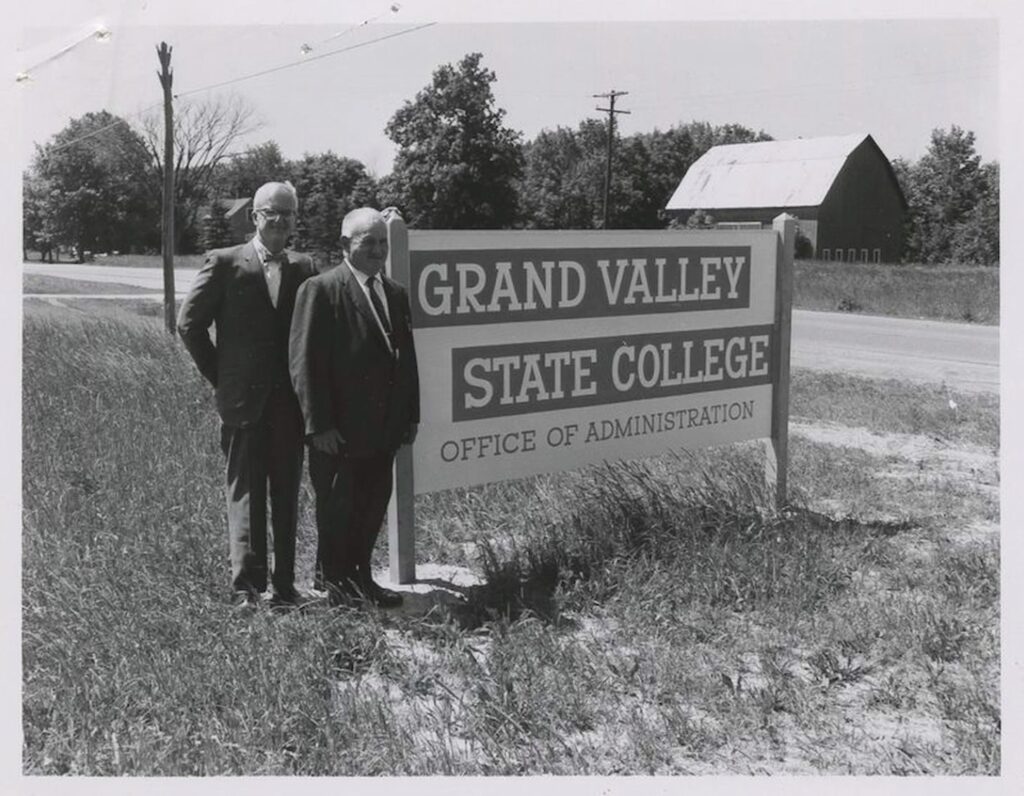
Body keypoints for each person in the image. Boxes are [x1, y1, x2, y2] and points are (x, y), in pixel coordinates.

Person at [177, 181, 316, 610]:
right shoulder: (224, 263)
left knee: (286, 495)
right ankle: (246, 590)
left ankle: (286, 586)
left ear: (295, 220)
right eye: (271, 213)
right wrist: (222, 376)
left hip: (289, 405)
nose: (280, 221)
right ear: (254, 216)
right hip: (243, 402)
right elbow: (189, 324)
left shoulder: (304, 267)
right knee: (246, 495)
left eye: (288, 214)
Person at [289, 207, 419, 608]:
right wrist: (319, 424)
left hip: (383, 429)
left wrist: (410, 415)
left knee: (371, 505)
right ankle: (336, 585)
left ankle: (362, 577)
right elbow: (304, 363)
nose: (379, 250)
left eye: (383, 242)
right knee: (337, 509)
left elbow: (406, 359)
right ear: (345, 245)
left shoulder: (394, 293)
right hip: (339, 432)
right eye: (369, 243)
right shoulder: (322, 289)